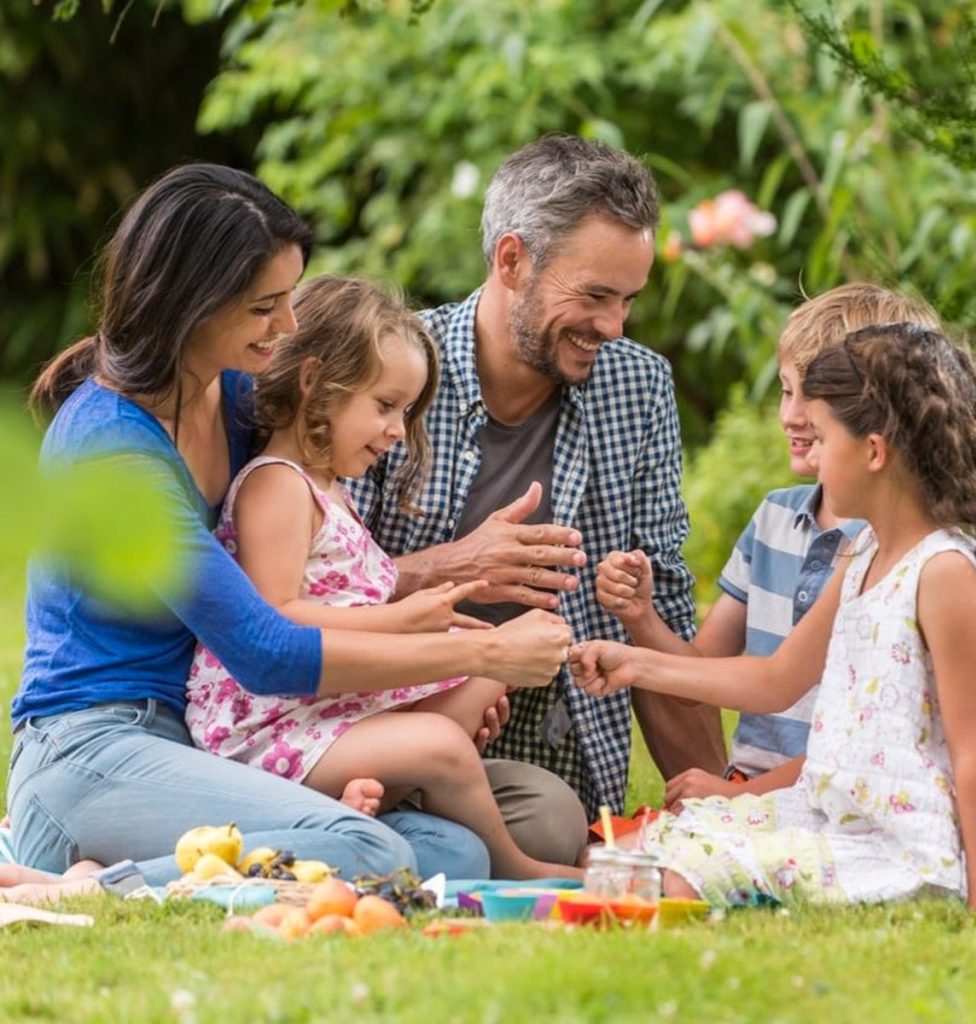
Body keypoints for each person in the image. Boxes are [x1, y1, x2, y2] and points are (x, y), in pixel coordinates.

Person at [3, 163, 571, 904]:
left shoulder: (234, 402)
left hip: (191, 742)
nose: (289, 327)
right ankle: (71, 886)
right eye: (266, 306)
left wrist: (449, 576)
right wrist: (484, 649)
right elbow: (265, 649)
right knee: (369, 848)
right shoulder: (113, 445)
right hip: (94, 749)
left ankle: (236, 850)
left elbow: (311, 578)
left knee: (449, 848)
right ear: (191, 305)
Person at [571, 322, 976, 919]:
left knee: (659, 884)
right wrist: (634, 663)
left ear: (874, 451)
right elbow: (775, 679)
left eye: (825, 437)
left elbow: (974, 753)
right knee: (617, 856)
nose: (813, 455)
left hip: (903, 850)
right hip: (828, 812)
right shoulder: (864, 555)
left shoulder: (941, 573)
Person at [348, 134, 725, 841]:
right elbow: (300, 599)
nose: (613, 327)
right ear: (512, 261)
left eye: (629, 301)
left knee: (550, 825)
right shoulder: (384, 372)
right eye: (595, 296)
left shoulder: (639, 387)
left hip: (549, 756)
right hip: (375, 730)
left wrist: (715, 819)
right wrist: (452, 568)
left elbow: (664, 610)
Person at [185, 274, 579, 880]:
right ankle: (516, 867)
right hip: (269, 729)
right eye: (385, 406)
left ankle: (362, 801)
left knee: (483, 677)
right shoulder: (275, 486)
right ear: (316, 383)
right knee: (444, 743)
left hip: (323, 711)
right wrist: (401, 621)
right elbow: (274, 617)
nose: (398, 431)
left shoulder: (330, 491)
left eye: (406, 410)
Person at [596, 284, 941, 809]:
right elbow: (700, 678)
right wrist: (640, 617)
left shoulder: (893, 551)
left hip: (837, 795)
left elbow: (864, 743)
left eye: (813, 398)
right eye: (786, 391)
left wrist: (742, 798)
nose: (792, 416)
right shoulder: (775, 520)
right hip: (750, 788)